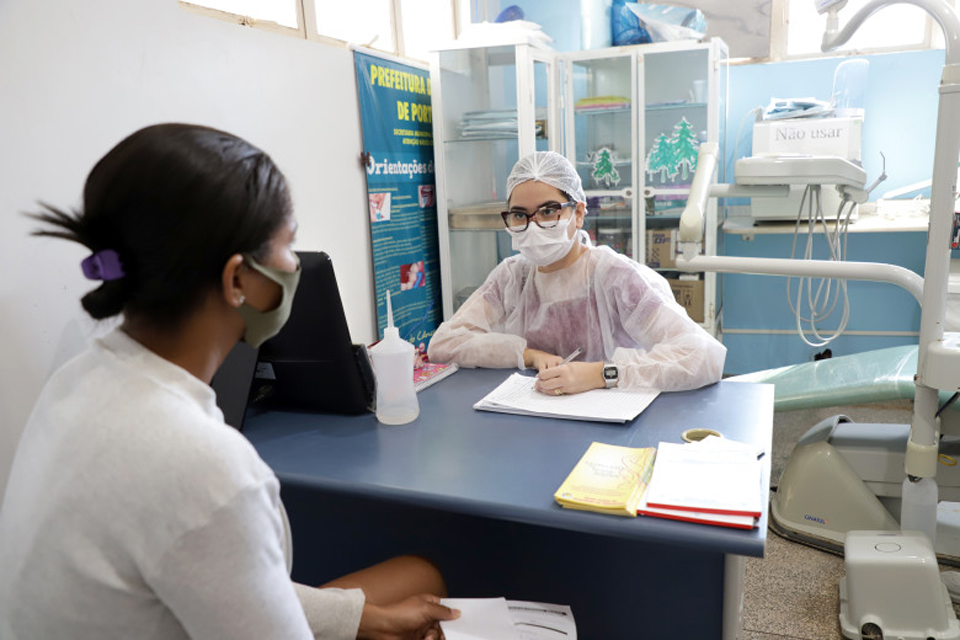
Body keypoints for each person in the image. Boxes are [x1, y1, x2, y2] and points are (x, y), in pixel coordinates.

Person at [0, 123, 458, 640]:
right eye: (289, 245)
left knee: (418, 579)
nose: (294, 264)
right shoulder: (205, 465)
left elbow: (211, 579)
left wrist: (365, 620)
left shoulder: (75, 380)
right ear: (237, 279)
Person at [428, 151, 725, 396]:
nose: (533, 226)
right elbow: (445, 344)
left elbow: (703, 355)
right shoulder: (512, 277)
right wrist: (528, 354)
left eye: (548, 211)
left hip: (611, 425)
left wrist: (602, 373)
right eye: (520, 215)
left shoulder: (614, 276)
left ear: (578, 213)